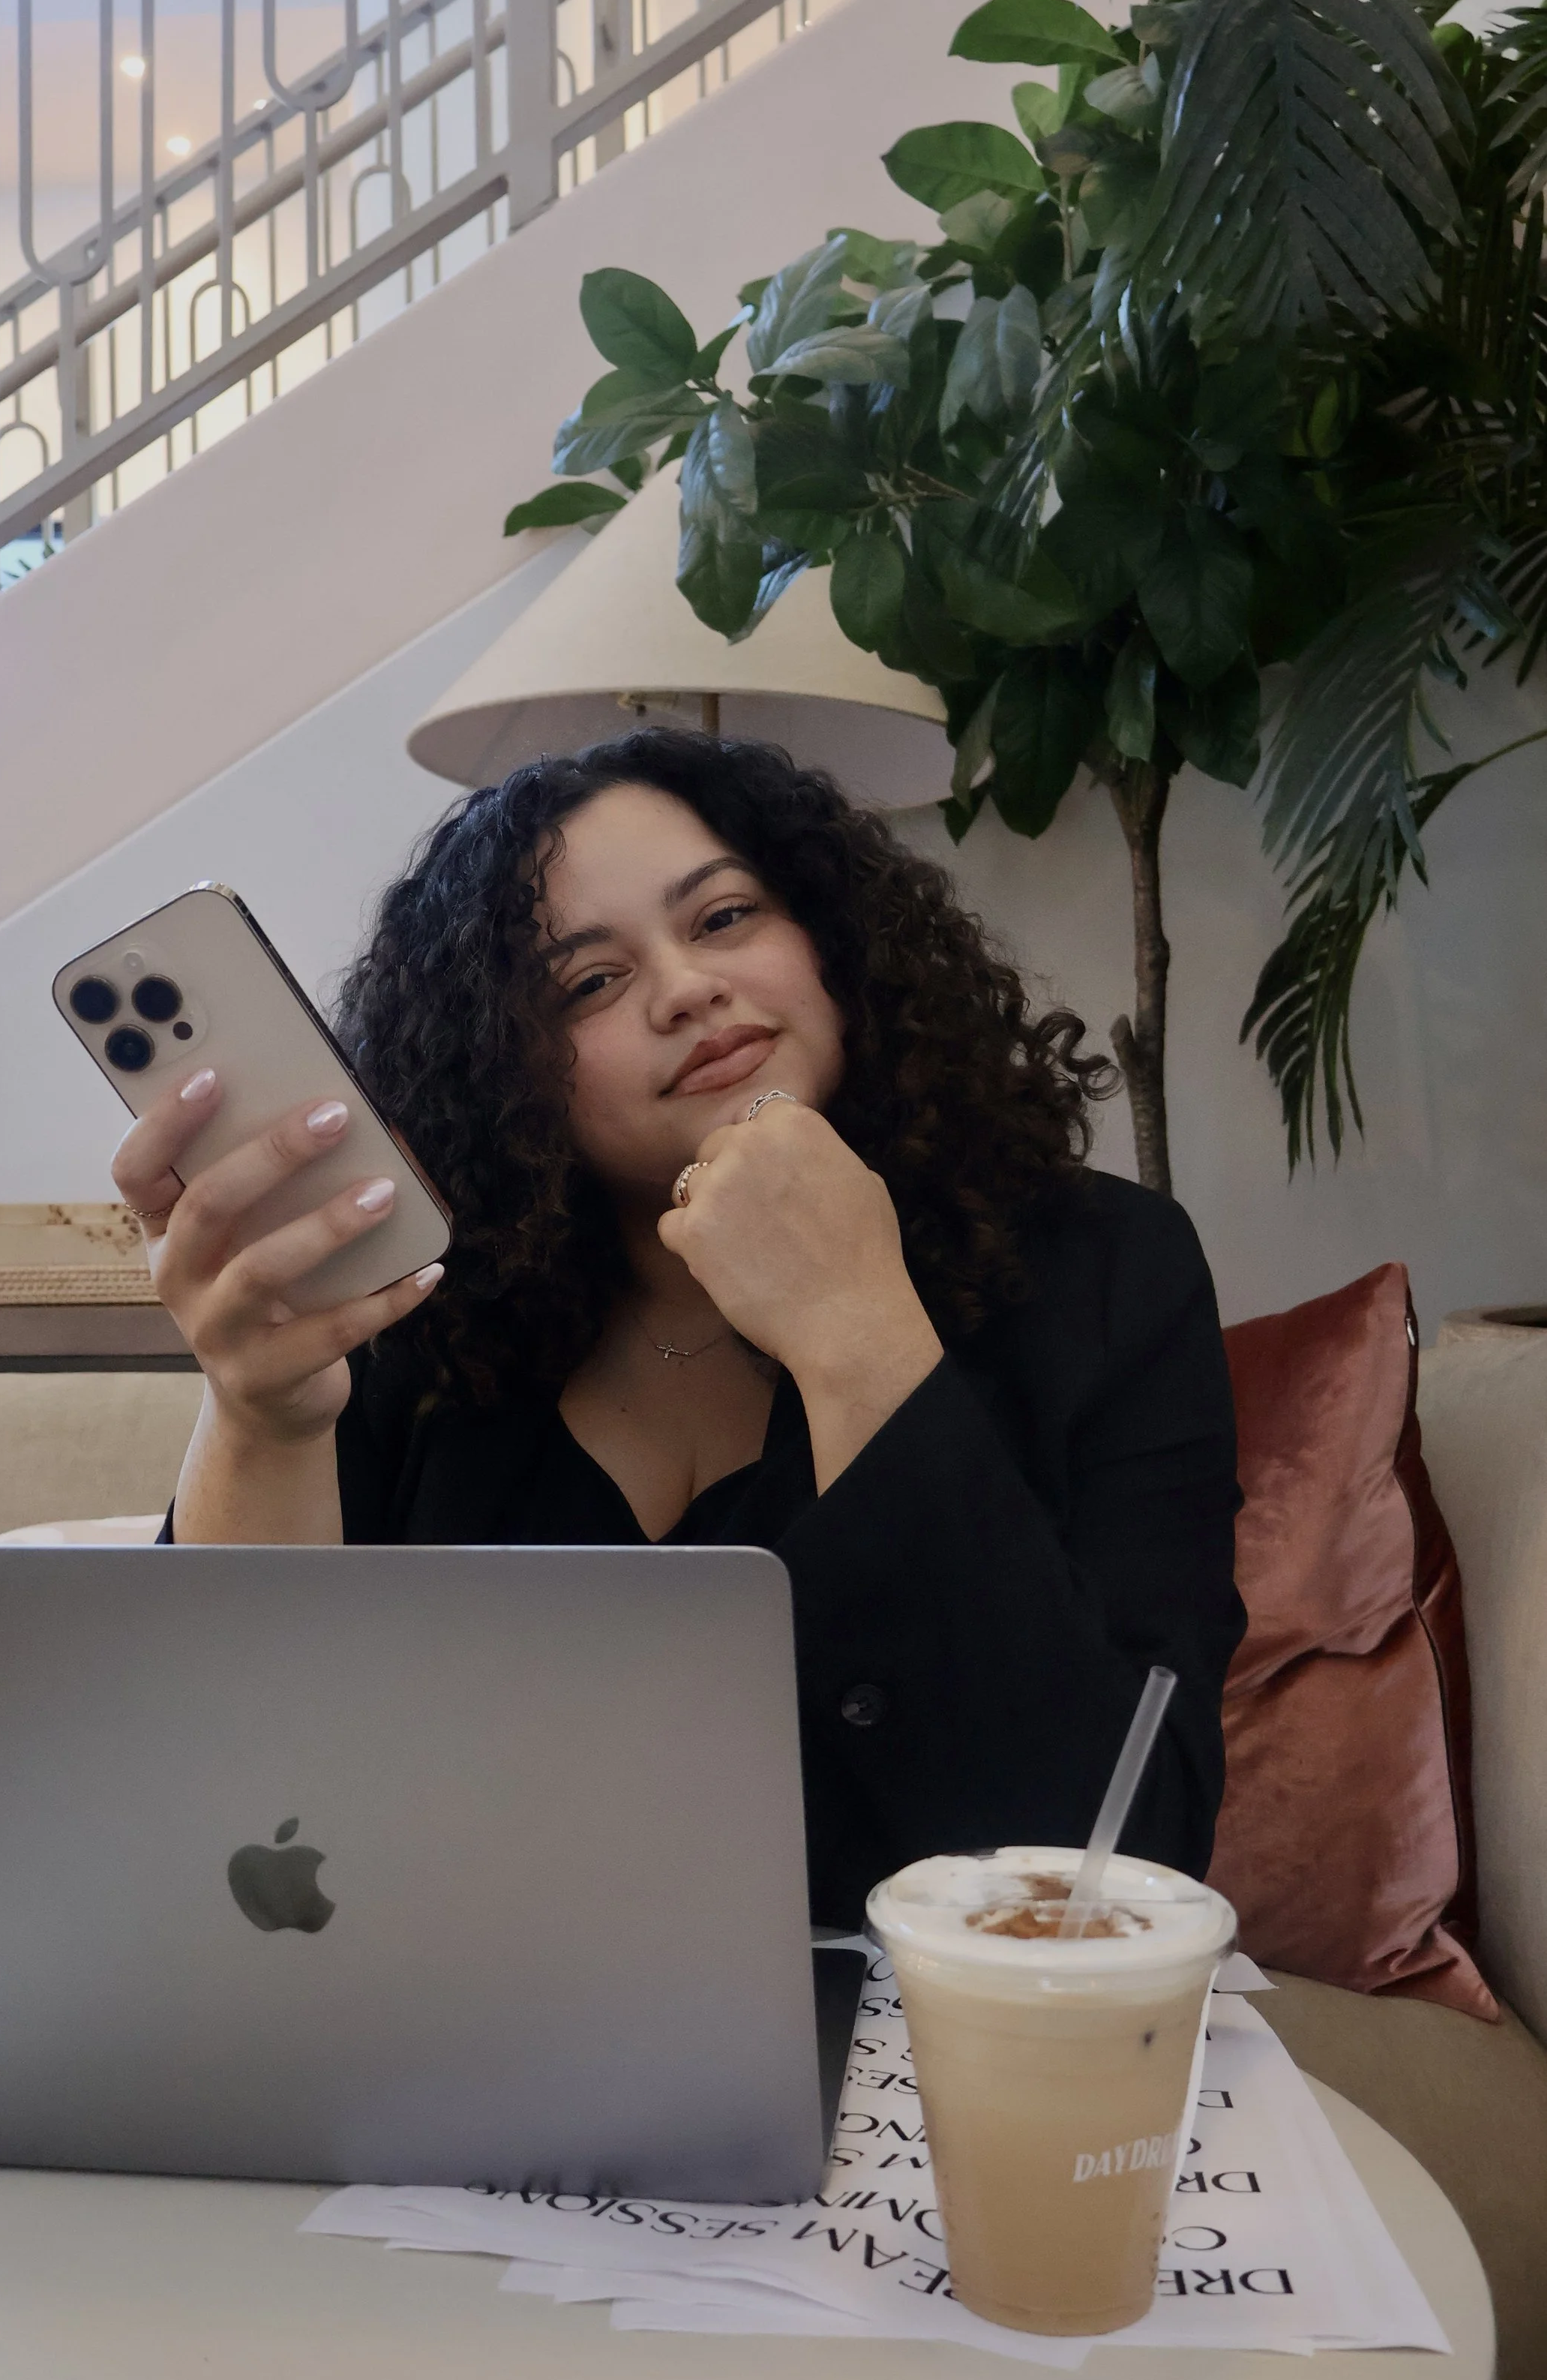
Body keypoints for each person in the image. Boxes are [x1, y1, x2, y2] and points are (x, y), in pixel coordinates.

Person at [115, 731, 1243, 1928]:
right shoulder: (419, 1315)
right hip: (468, 2038)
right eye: (588, 983)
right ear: (507, 1073)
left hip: (941, 2052)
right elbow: (234, 1806)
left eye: (723, 916)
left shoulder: (1108, 1269)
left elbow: (1125, 1867)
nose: (687, 988)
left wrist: (857, 1331)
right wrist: (263, 1414)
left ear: (829, 939)